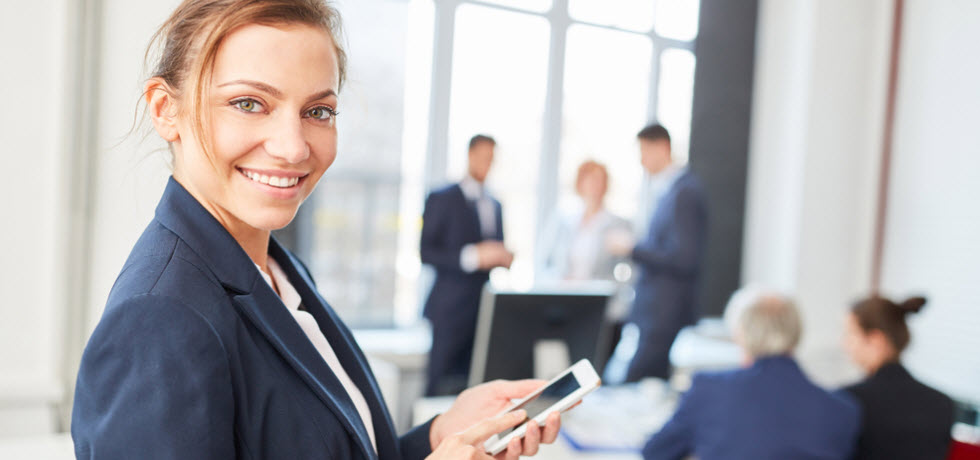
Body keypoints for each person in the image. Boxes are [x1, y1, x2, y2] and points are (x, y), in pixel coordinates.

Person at [70, 2, 562, 459]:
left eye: (317, 112)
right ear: (165, 109)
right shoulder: (159, 319)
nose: (293, 147)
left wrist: (440, 435)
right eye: (249, 103)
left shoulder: (274, 267)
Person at [642, 287, 861, 460]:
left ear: (741, 334)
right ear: (796, 332)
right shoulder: (842, 410)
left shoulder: (709, 389)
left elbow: (655, 452)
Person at [608, 123, 708, 382]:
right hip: (656, 309)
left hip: (665, 310)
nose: (641, 161)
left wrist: (633, 248)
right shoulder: (669, 190)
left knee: (633, 382)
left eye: (644, 152)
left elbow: (684, 257)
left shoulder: (684, 192)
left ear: (662, 147)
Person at [420, 134, 513, 396]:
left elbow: (495, 246)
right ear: (470, 156)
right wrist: (472, 257)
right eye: (483, 157)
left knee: (472, 385)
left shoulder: (495, 204)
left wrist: (502, 257)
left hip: (482, 307)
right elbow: (426, 253)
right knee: (437, 383)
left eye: (492, 159)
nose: (487, 163)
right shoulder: (442, 198)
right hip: (449, 309)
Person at [842, 295, 955, 460]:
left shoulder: (849, 400)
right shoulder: (942, 404)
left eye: (850, 334)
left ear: (876, 340)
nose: (844, 344)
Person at [536, 160, 631, 282]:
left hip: (599, 296)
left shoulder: (619, 225)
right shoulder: (563, 222)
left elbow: (626, 271)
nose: (593, 186)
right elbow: (543, 263)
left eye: (598, 180)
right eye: (589, 180)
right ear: (580, 184)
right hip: (564, 294)